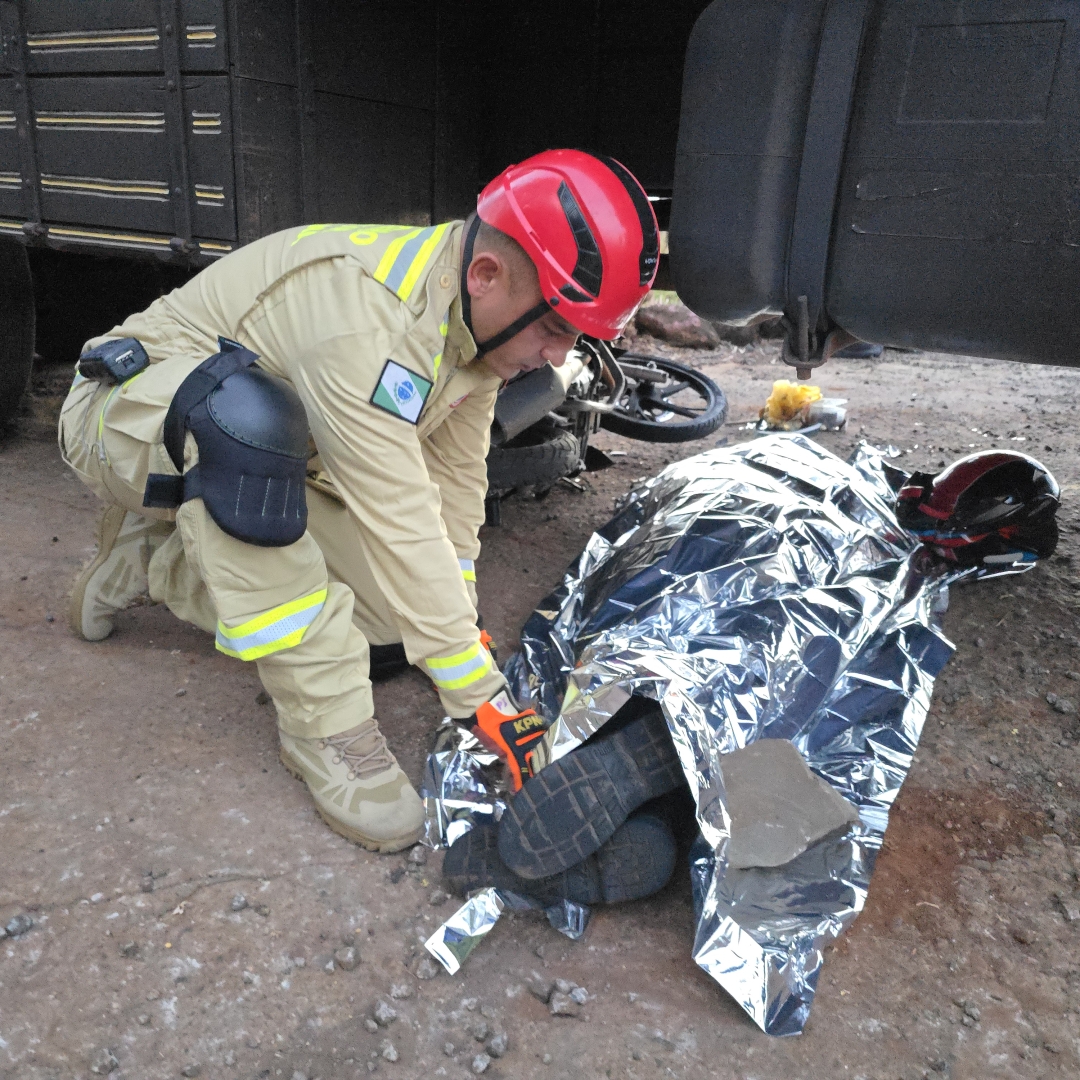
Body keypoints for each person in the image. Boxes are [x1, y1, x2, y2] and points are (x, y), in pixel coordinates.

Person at [58, 149, 660, 853]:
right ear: (487, 274)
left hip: (255, 458)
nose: (559, 356)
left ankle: (152, 556)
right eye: (554, 328)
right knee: (243, 429)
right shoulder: (365, 318)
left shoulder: (471, 324)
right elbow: (395, 511)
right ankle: (326, 735)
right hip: (124, 413)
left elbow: (454, 484)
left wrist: (460, 628)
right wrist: (480, 697)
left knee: (392, 627)